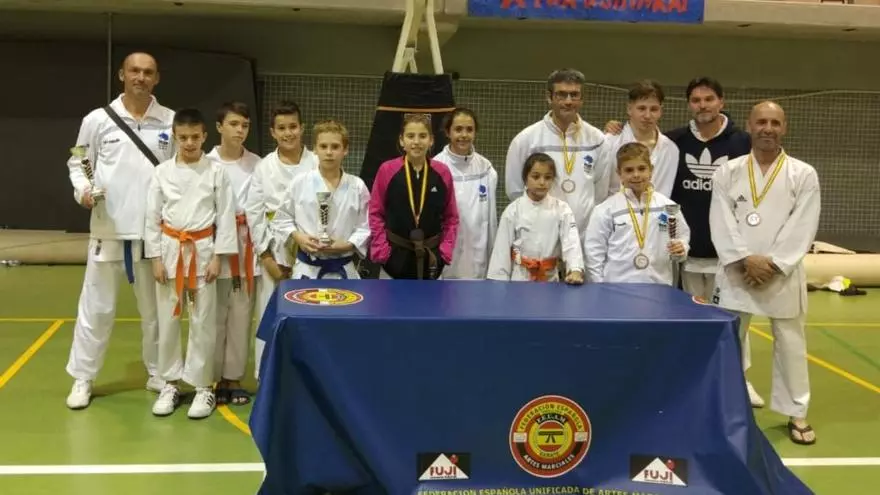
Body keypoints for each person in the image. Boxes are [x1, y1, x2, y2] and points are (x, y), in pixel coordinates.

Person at [65, 52, 175, 410]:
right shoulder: (98, 120)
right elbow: (78, 162)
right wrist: (84, 191)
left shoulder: (170, 120)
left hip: (153, 236)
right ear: (121, 75)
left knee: (155, 312)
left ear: (157, 78)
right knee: (96, 309)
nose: (140, 77)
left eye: (148, 72)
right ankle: (84, 378)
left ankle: (158, 372)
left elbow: (178, 173)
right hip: (108, 231)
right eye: (134, 71)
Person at [709, 101, 820, 445]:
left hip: (781, 274)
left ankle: (796, 412)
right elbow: (721, 220)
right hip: (737, 272)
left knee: (790, 343)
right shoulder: (727, 172)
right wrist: (744, 259)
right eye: (761, 122)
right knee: (729, 341)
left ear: (784, 128)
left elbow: (803, 225)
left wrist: (773, 264)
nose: (767, 128)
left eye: (774, 122)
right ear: (749, 126)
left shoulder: (803, 173)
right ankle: (724, 406)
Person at [145, 108, 238, 418]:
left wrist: (218, 258)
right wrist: (155, 258)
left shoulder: (216, 172)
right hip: (170, 251)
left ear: (204, 136)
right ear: (174, 136)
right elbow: (152, 217)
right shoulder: (161, 172)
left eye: (194, 137)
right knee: (168, 319)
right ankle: (170, 382)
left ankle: (202, 386)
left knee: (203, 321)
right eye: (183, 137)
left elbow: (225, 216)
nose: (189, 143)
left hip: (203, 251)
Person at [243, 101, 317, 381]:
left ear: (302, 128)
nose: (288, 133)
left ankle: (307, 378)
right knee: (269, 314)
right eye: (282, 128)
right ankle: (266, 377)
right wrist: (265, 256)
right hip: (275, 250)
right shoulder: (264, 167)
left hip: (311, 250)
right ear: (273, 132)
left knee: (309, 314)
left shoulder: (316, 162)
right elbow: (254, 213)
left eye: (293, 127)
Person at [504, 68, 613, 237]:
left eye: (574, 95)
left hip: (583, 236)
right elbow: (515, 190)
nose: (568, 101)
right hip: (539, 234)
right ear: (549, 97)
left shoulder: (597, 140)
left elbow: (601, 192)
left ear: (582, 99)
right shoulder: (526, 140)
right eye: (561, 94)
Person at [206, 102, 261, 406]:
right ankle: (212, 376)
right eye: (234, 124)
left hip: (246, 245)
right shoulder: (206, 162)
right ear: (219, 127)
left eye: (245, 125)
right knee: (213, 315)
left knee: (241, 314)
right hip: (213, 245)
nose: (240, 130)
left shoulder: (257, 164)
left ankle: (234, 377)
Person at [272, 120, 371, 280]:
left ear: (345, 150)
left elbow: (365, 227)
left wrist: (348, 244)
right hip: (307, 270)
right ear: (315, 149)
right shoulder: (299, 182)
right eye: (323, 146)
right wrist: (299, 237)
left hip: (344, 268)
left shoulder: (357, 186)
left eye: (335, 147)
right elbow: (282, 219)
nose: (329, 152)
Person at [368, 113, 459, 280]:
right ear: (402, 141)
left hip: (431, 260)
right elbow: (375, 213)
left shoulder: (442, 172)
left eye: (422, 136)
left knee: (431, 298)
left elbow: (451, 217)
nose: (416, 142)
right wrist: (383, 252)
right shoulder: (387, 170)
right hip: (393, 260)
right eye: (410, 136)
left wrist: (444, 251)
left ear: (431, 140)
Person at [584, 143, 690, 285]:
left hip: (659, 285)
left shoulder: (667, 207)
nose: (636, 175)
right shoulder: (605, 210)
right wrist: (600, 286)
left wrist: (681, 248)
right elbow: (594, 253)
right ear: (619, 173)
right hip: (617, 287)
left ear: (651, 170)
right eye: (629, 170)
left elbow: (682, 236)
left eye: (641, 168)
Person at [487, 152, 584, 285]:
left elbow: (571, 242)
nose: (542, 182)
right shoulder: (513, 210)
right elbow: (501, 251)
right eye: (536, 177)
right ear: (525, 178)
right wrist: (498, 283)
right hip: (520, 279)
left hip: (550, 280)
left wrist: (575, 269)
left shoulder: (562, 209)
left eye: (548, 177)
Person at [433, 108, 498, 279]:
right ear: (448, 132)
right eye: (458, 129)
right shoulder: (435, 168)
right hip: (445, 258)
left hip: (477, 259)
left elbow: (491, 221)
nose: (464, 135)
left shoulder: (486, 169)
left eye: (469, 129)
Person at [603, 80, 679, 198]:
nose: (647, 115)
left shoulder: (671, 150)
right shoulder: (609, 143)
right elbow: (600, 190)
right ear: (629, 109)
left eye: (654, 109)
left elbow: (665, 195)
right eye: (641, 108)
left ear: (661, 111)